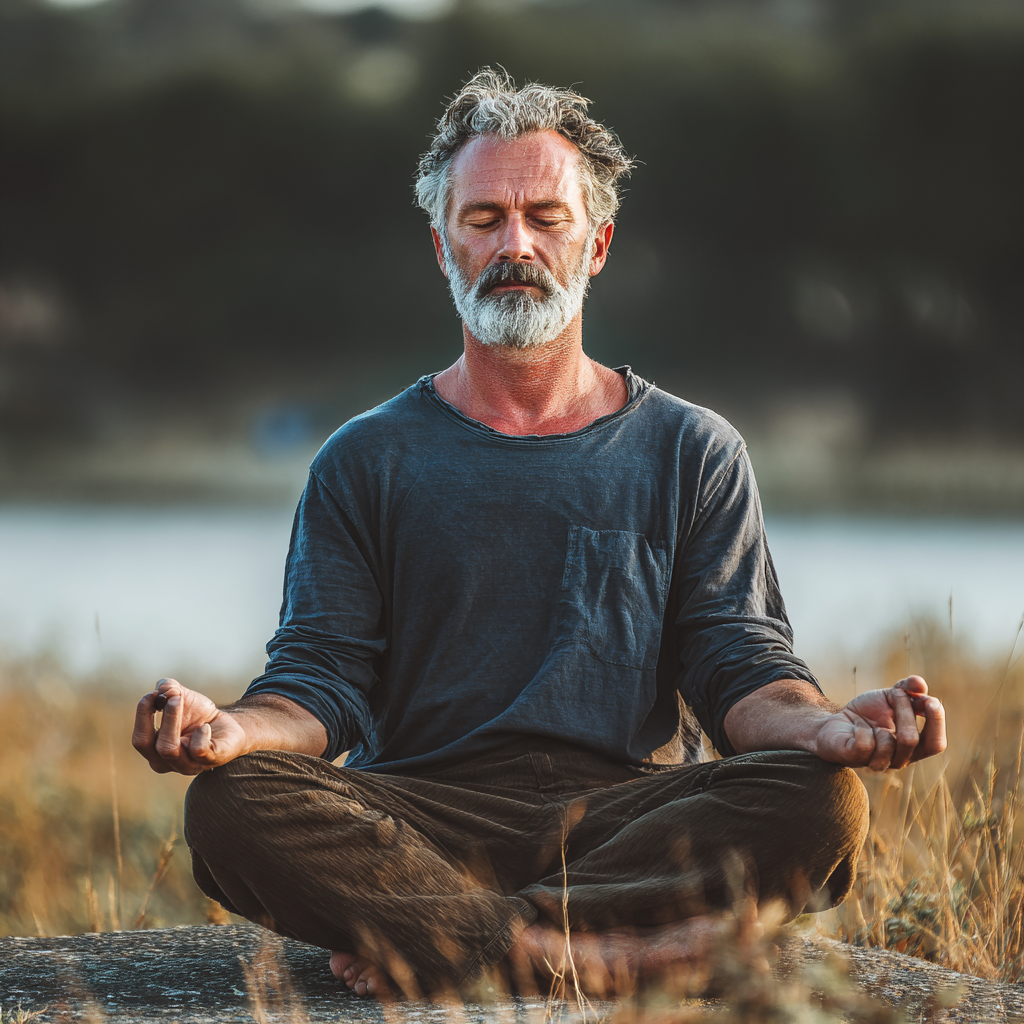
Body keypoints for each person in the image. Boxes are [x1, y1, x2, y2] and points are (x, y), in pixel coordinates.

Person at [132, 69, 945, 1000]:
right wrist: (230, 731)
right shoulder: (364, 458)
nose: (514, 243)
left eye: (544, 217)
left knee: (823, 801)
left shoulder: (693, 448)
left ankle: (451, 939)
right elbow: (321, 679)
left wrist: (828, 728)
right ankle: (607, 954)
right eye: (482, 219)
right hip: (420, 815)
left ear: (595, 244)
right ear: (443, 246)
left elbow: (738, 664)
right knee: (233, 804)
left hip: (626, 817)